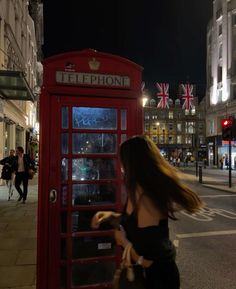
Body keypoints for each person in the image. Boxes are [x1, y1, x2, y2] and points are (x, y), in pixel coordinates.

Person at [91, 135, 203, 289]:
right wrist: (110, 216)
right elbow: (134, 224)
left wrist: (123, 241)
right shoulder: (137, 191)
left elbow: (149, 260)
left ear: (132, 164)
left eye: (122, 161)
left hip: (157, 280)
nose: (121, 167)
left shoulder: (146, 198)